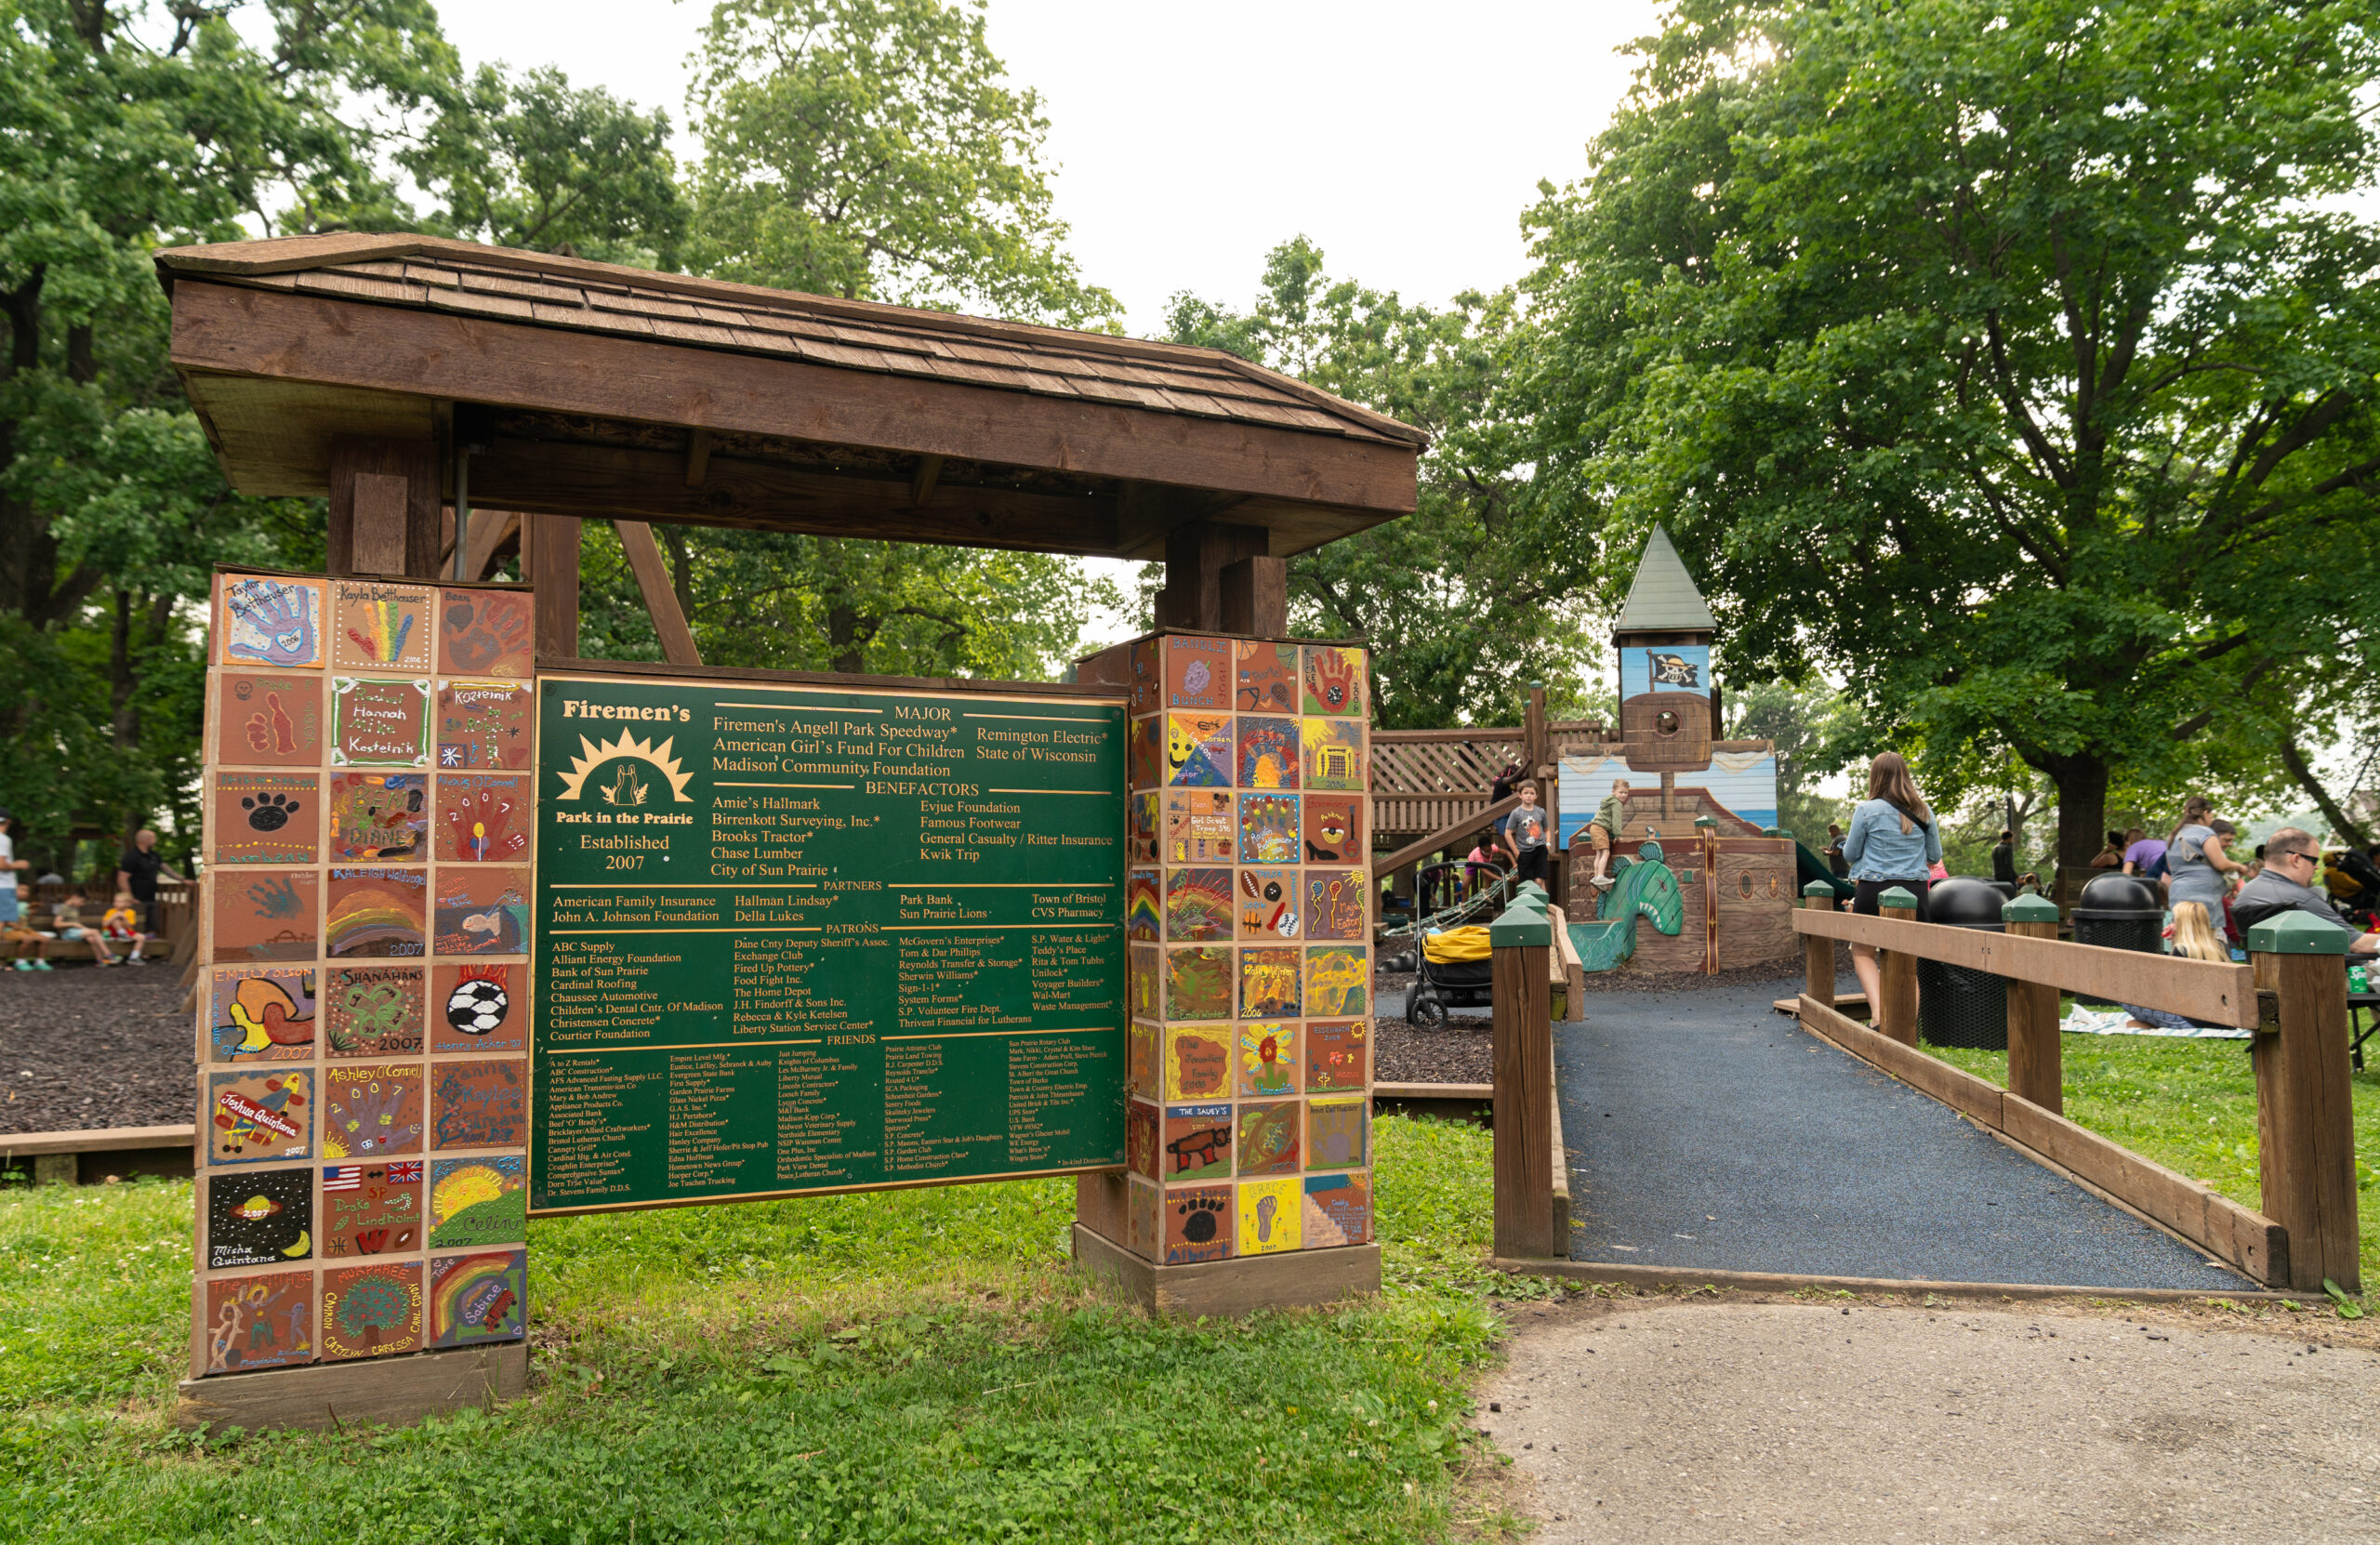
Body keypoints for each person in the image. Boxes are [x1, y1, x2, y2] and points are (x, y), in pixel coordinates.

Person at [1842, 751, 1944, 1012]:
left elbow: (1850, 854)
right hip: (1914, 892)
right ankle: (1907, 1027)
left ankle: (1878, 1015)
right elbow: (1934, 856)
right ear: (1905, 775)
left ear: (1874, 777)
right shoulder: (1923, 810)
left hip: (1873, 890)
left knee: (1863, 952)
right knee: (1906, 959)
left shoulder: (1866, 810)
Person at [2232, 828, 2380, 950]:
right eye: (2314, 861)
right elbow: (2359, 944)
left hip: (2264, 977)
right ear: (2296, 859)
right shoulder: (2301, 899)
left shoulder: (2245, 893)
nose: (2316, 867)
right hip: (2319, 980)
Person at [2120, 902, 2233, 1030]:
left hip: (2190, 1021)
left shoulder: (2181, 950)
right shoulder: (2221, 947)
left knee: (2125, 998)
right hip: (2222, 1020)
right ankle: (2150, 1025)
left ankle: (2151, 1025)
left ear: (2181, 924)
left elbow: (2169, 993)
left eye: (2174, 920)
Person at [2164, 796, 2242, 922]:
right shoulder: (2205, 833)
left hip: (2179, 899)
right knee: (2208, 939)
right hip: (2204, 901)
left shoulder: (2174, 835)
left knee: (2183, 937)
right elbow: (2221, 864)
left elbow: (2171, 868)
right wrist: (2239, 866)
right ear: (2206, 813)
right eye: (2211, 815)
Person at [114, 828, 183, 936]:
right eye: (153, 838)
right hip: (136, 900)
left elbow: (166, 869)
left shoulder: (154, 855)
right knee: (137, 926)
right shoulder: (131, 856)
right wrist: (130, 898)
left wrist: (183, 879)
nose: (155, 840)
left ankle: (147, 952)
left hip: (151, 898)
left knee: (152, 927)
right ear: (145, 840)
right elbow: (122, 878)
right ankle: (137, 951)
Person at [1585, 779, 1632, 891]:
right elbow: (1616, 821)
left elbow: (1606, 818)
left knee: (1599, 853)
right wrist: (1617, 835)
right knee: (1606, 852)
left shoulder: (1608, 801)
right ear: (1613, 791)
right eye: (1621, 792)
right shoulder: (1616, 803)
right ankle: (1600, 876)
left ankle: (1596, 877)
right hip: (1600, 828)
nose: (1623, 795)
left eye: (1626, 792)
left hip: (1594, 827)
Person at [1502, 781, 1553, 885]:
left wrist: (1547, 844)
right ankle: (1541, 901)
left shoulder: (1541, 812)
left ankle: (1544, 901)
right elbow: (1508, 833)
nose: (1529, 796)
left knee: (1539, 880)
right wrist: (1516, 852)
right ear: (1520, 795)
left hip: (1540, 849)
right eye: (1526, 793)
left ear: (1536, 796)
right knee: (1529, 883)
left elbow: (1547, 829)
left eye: (1532, 793)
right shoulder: (1516, 813)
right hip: (1524, 852)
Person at [51, 891, 116, 965]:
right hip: (67, 933)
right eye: (82, 901)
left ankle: (100, 961)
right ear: (74, 897)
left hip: (75, 932)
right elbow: (56, 924)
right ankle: (108, 955)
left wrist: (81, 927)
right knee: (95, 931)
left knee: (91, 939)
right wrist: (73, 924)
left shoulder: (74, 908)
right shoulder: (64, 908)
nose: (82, 904)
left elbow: (77, 924)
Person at [100, 890, 147, 963]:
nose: (116, 903)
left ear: (127, 903)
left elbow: (130, 926)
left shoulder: (131, 912)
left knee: (141, 937)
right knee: (116, 920)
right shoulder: (111, 911)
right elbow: (104, 924)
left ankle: (134, 957)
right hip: (111, 933)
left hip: (127, 933)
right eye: (115, 901)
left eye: (119, 901)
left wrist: (124, 917)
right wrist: (114, 916)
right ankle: (122, 934)